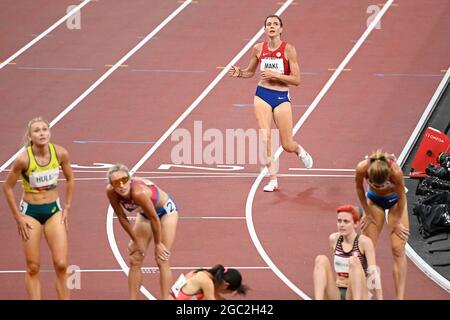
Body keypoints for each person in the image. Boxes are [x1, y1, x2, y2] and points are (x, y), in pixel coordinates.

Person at [228, 14, 313, 192]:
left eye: (275, 24)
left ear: (281, 29)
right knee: (265, 137)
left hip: (281, 97)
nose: (272, 26)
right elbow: (250, 72)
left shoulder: (289, 50)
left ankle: (299, 150)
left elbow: (297, 80)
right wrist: (240, 73)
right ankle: (272, 179)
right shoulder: (258, 49)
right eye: (269, 24)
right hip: (262, 95)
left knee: (287, 144)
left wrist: (275, 75)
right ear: (265, 29)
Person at [3, 117, 74, 300]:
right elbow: (7, 187)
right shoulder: (23, 159)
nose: (42, 133)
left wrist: (67, 207)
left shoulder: (60, 153)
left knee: (61, 264)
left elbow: (70, 179)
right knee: (33, 266)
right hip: (30, 213)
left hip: (53, 210)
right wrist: (18, 217)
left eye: (45, 129)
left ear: (49, 132)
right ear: (30, 136)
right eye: (37, 130)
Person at [106, 164, 178, 300]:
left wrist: (158, 244)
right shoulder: (110, 192)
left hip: (165, 213)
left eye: (124, 180)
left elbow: (155, 219)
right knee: (135, 258)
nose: (121, 185)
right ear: (111, 185)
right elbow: (122, 217)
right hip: (145, 214)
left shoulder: (138, 192)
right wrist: (134, 240)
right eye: (116, 182)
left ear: (130, 179)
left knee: (162, 258)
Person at [355, 149, 409, 299]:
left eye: (382, 185)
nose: (379, 188)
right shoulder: (362, 168)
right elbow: (359, 188)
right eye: (374, 185)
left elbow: (402, 197)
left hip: (396, 202)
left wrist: (397, 221)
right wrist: (366, 211)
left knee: (398, 248)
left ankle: (400, 297)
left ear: (388, 177)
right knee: (367, 248)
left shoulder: (396, 172)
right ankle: (366, 293)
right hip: (374, 201)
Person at [313, 205, 383, 300]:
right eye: (339, 221)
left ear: (355, 224)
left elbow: (373, 274)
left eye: (346, 222)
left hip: (359, 292)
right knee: (320, 259)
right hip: (337, 291)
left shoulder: (364, 242)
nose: (341, 225)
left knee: (353, 261)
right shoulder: (334, 239)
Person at [169, 264, 248, 300]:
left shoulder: (201, 273)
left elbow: (218, 297)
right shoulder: (206, 282)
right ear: (225, 285)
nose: (223, 293)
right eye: (226, 292)